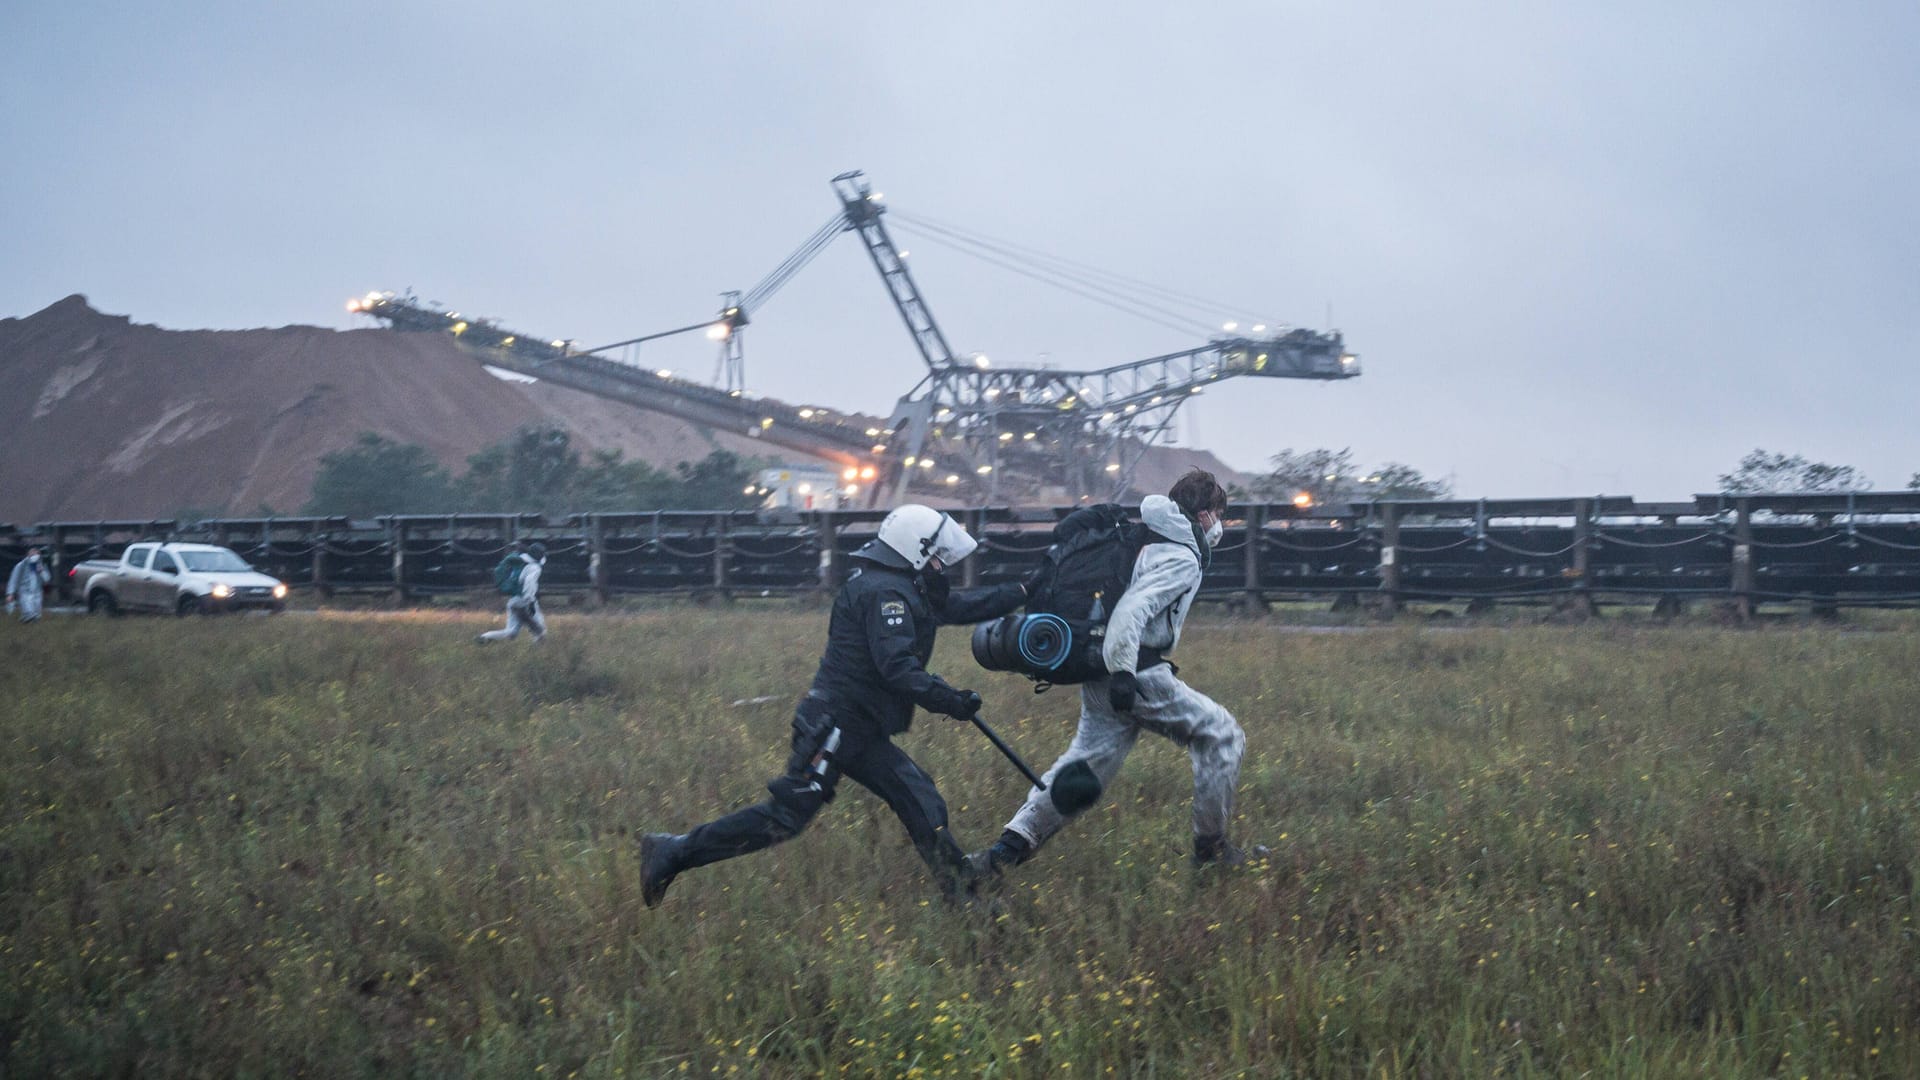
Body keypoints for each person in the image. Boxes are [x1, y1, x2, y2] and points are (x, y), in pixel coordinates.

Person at [639, 504, 1029, 907]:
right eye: (935, 556)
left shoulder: (899, 585)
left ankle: (962, 893)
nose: (940, 564)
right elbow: (898, 668)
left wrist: (1021, 592)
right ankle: (672, 852)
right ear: (914, 550)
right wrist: (950, 700)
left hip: (858, 728)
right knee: (787, 816)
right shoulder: (884, 594)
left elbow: (956, 608)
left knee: (919, 797)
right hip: (835, 726)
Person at [969, 469, 1263, 877]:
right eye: (1219, 516)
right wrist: (1125, 674)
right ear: (1205, 516)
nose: (1220, 526)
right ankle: (1210, 853)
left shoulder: (1148, 535)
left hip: (1100, 672)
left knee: (1082, 770)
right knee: (1223, 734)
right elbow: (1132, 611)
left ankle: (1001, 855)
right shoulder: (1181, 556)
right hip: (1135, 673)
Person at [478, 541, 546, 644]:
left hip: (513, 601)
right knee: (540, 631)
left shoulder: (521, 563)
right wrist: (530, 601)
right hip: (525, 602)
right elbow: (529, 582)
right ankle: (539, 652)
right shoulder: (534, 568)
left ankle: (484, 637)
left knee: (511, 633)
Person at [6, 547, 53, 624]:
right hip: (25, 591)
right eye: (33, 553)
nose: (35, 555)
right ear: (28, 555)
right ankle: (26, 620)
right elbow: (14, 579)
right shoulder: (21, 565)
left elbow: (47, 578)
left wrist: (42, 571)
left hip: (37, 592)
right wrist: (10, 593)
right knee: (29, 610)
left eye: (37, 554)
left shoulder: (41, 565)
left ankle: (28, 624)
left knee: (37, 613)